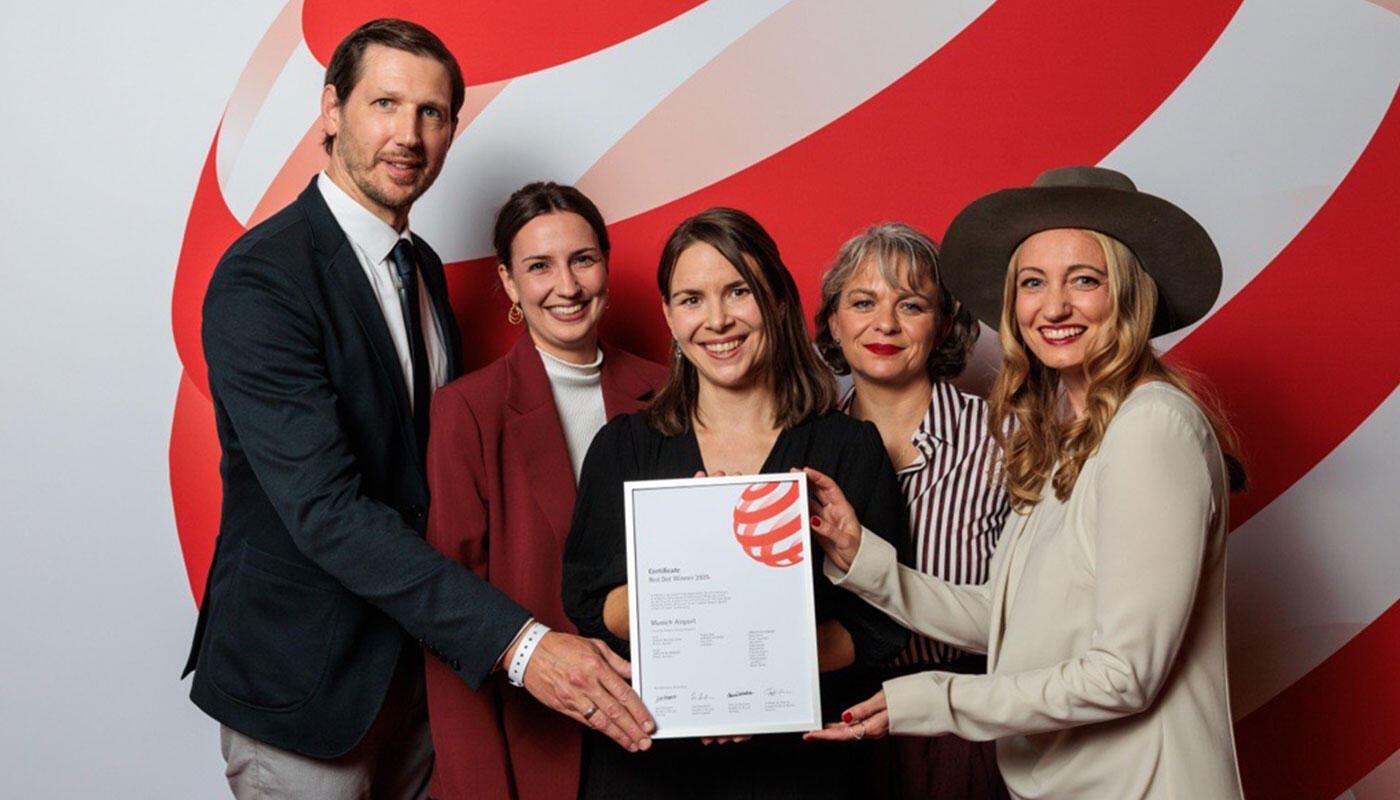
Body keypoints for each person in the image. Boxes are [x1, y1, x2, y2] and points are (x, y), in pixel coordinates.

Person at [183, 20, 653, 799]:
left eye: (431, 112)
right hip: (306, 684)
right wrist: (522, 645)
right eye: (385, 104)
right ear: (331, 110)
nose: (408, 134)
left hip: (422, 675)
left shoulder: (422, 268)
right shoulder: (262, 280)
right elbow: (326, 511)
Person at [804, 167, 1245, 800]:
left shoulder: (1151, 426)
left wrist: (937, 698)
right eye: (1033, 282)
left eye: (1085, 280)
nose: (1054, 306)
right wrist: (864, 561)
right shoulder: (1065, 436)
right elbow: (1006, 617)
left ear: (1129, 296)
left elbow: (1125, 674)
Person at [561, 207, 912, 799]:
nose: (717, 319)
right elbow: (592, 603)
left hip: (799, 771)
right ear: (669, 316)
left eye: (738, 291)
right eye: (692, 299)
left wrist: (757, 673)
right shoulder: (625, 446)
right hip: (651, 769)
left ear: (776, 299)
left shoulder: (848, 447)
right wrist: (695, 560)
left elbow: (880, 628)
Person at [423, 182, 668, 800]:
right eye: (539, 266)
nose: (567, 285)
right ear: (509, 283)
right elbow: (450, 615)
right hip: (540, 749)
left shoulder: (670, 393)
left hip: (668, 736)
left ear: (605, 265)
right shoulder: (467, 411)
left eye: (582, 260)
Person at [813, 222, 1011, 800]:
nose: (885, 324)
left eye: (911, 305)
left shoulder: (1004, 440)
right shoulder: (805, 448)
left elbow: (1033, 616)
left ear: (943, 323)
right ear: (834, 322)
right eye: (863, 302)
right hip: (836, 726)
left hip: (964, 728)